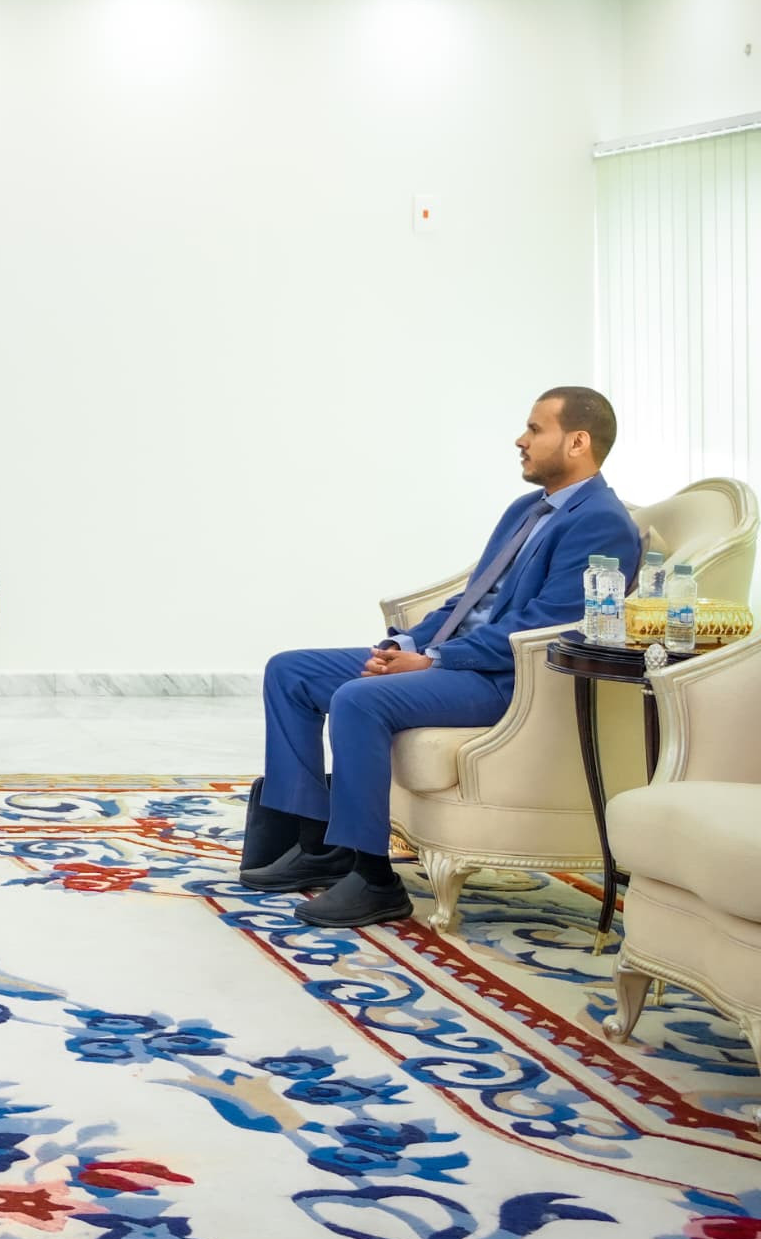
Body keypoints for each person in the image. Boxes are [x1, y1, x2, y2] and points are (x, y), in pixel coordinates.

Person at [244, 386, 641, 928]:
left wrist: (436, 661)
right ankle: (318, 845)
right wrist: (405, 647)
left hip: (504, 679)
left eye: (535, 429)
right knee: (290, 671)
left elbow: (544, 627)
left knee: (359, 699)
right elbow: (469, 600)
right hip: (451, 658)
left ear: (577, 442)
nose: (520, 440)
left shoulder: (602, 522)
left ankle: (374, 879)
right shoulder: (526, 510)